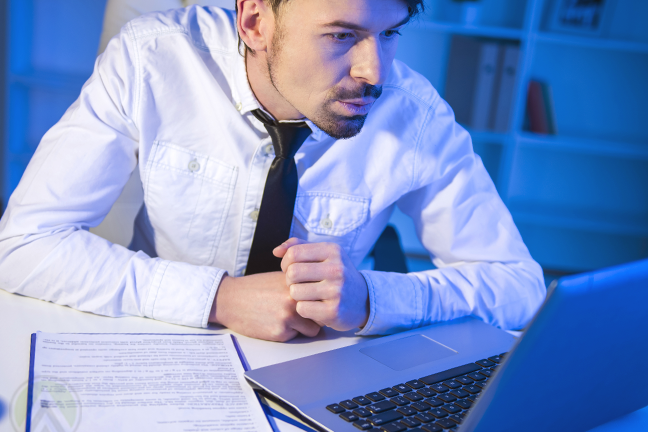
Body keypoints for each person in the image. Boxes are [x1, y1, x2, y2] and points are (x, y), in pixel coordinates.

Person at [0, 0, 545, 342]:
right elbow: (21, 245)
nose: (374, 72)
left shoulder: (414, 113)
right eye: (341, 35)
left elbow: (520, 287)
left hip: (322, 370)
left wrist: (374, 299)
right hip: (165, 339)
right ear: (256, 22)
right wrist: (219, 298)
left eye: (390, 33)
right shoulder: (151, 61)